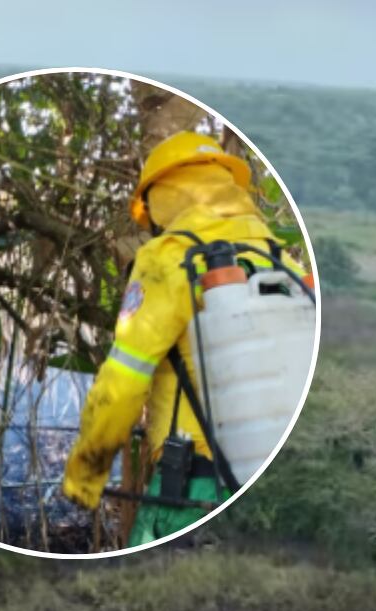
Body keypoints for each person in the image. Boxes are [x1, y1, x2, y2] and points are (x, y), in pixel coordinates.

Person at [61, 131, 306, 546]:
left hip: (195, 487)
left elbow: (123, 380)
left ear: (160, 197)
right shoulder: (281, 260)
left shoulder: (170, 257)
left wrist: (84, 477)